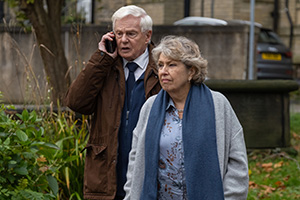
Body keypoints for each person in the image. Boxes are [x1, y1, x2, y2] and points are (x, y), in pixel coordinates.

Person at [124, 35, 249, 200]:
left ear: (191, 71)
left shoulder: (218, 104)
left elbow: (237, 162)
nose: (163, 71)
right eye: (160, 65)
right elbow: (135, 160)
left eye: (171, 65)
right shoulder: (150, 107)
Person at [64, 5, 161, 200]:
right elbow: (76, 102)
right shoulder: (104, 67)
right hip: (106, 180)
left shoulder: (162, 68)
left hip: (150, 178)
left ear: (147, 35)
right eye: (119, 33)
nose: (123, 40)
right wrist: (102, 58)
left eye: (131, 34)